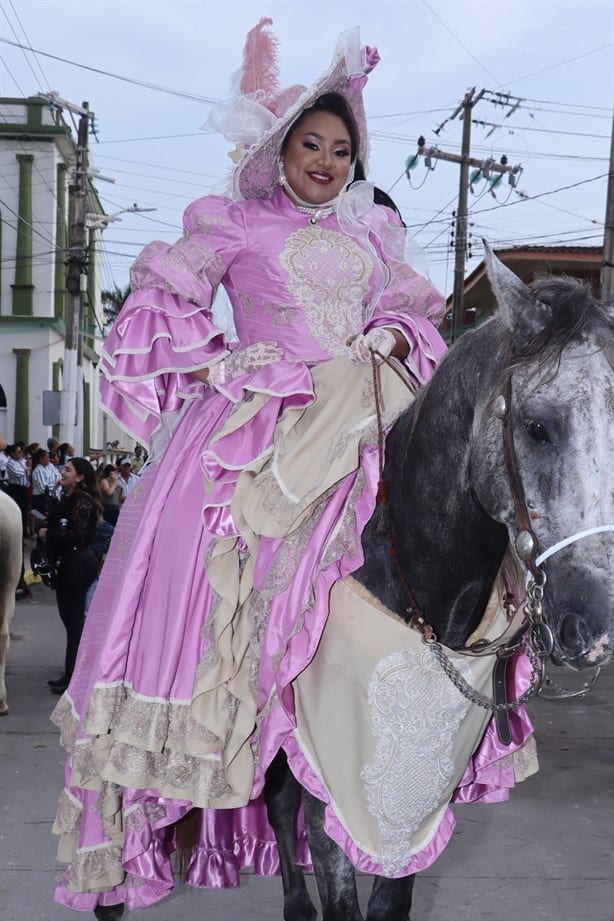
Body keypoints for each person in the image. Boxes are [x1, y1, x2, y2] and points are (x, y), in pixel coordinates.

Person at [50, 22, 532, 914]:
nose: (327, 160)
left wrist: (392, 330)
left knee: (459, 519)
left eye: (342, 149)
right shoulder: (228, 222)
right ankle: (222, 704)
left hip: (369, 404)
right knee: (214, 568)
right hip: (267, 422)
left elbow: (411, 312)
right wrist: (228, 363)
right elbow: (159, 306)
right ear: (279, 147)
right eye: (312, 143)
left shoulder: (375, 230)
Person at [39, 458, 100, 695]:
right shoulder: (68, 498)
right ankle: (69, 673)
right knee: (70, 622)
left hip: (78, 564)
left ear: (80, 477)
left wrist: (48, 532)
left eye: (67, 469)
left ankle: (75, 679)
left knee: (75, 623)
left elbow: (78, 536)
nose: (62, 472)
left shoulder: (83, 500)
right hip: (69, 564)